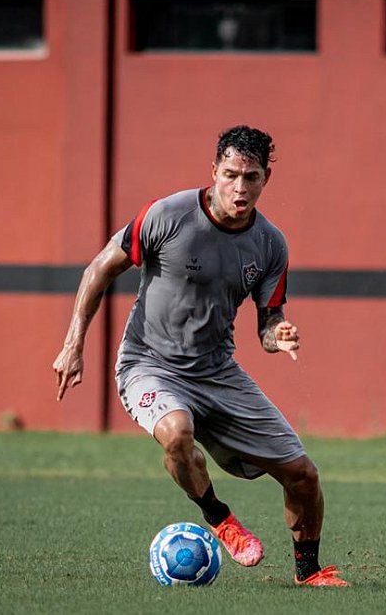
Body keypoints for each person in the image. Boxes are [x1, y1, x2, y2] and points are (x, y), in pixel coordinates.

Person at [53, 125, 348, 587]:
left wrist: (280, 334)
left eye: (251, 177)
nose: (240, 187)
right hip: (149, 363)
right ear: (213, 171)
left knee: (303, 475)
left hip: (217, 371)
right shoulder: (167, 215)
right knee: (177, 431)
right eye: (230, 174)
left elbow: (268, 324)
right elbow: (99, 268)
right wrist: (73, 344)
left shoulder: (270, 244)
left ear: (265, 179)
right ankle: (220, 518)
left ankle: (308, 573)